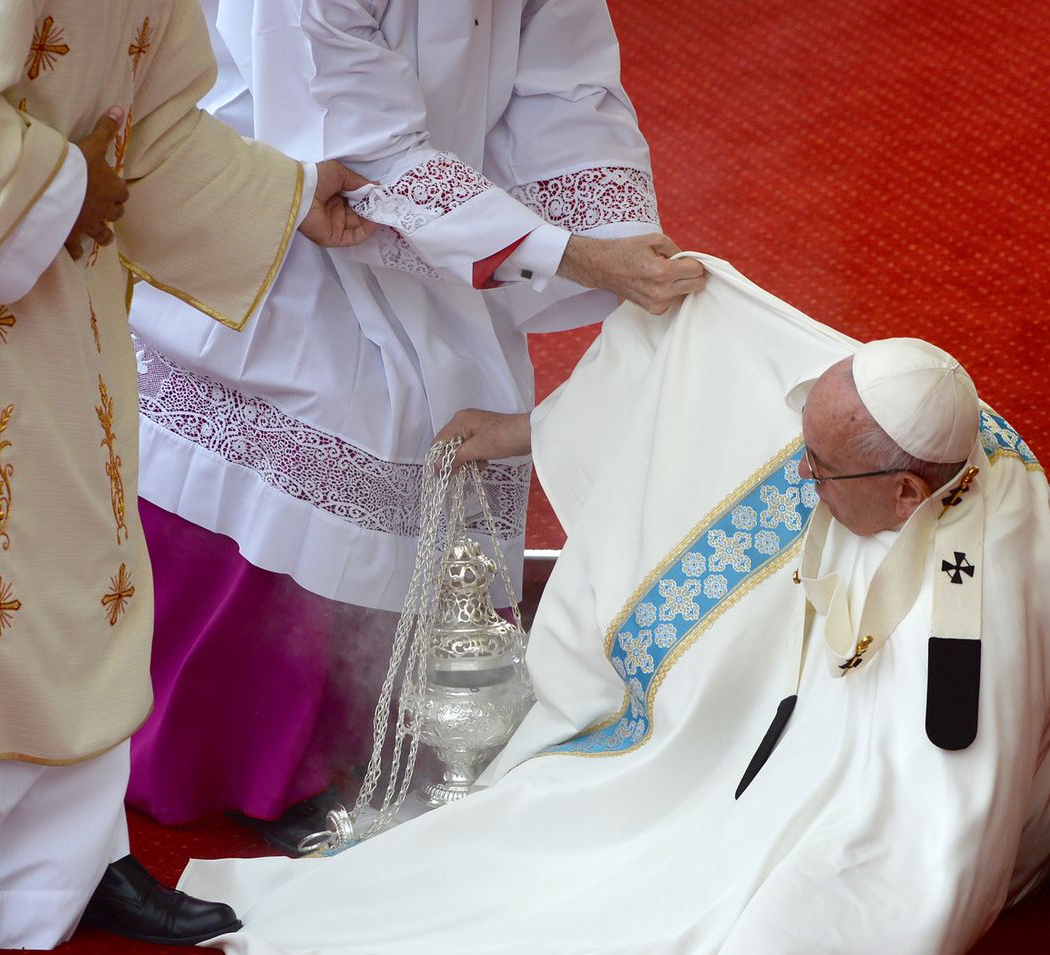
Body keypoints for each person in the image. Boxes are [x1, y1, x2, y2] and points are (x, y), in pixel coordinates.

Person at [177, 255, 1050, 955]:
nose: (799, 476)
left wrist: (811, 883)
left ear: (909, 497)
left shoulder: (970, 606)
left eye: (821, 468)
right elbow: (725, 383)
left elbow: (940, 816)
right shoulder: (898, 409)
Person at [125, 0, 705, 834]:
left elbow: (569, 93)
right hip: (293, 211)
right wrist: (569, 254)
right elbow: (355, 144)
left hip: (450, 225)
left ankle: (398, 730)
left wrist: (626, 240)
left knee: (462, 407)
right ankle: (258, 758)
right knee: (343, 417)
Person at [0, 0, 375, 949]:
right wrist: (52, 184)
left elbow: (149, 124)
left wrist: (286, 197)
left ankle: (66, 863)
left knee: (73, 569)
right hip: (24, 259)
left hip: (61, 300)